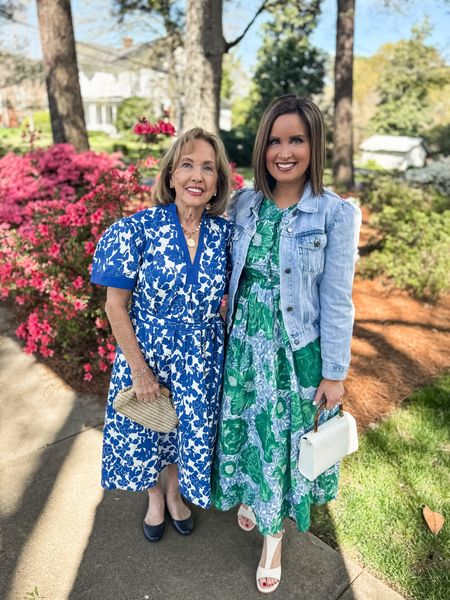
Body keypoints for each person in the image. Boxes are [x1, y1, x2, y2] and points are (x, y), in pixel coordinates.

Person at [212, 95, 361, 593]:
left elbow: (337, 300)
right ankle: (256, 499)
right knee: (249, 430)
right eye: (275, 140)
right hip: (242, 347)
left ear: (314, 144)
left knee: (280, 443)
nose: (284, 151)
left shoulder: (334, 214)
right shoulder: (245, 203)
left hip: (292, 352)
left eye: (296, 139)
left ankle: (273, 540)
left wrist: (335, 373)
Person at [90, 127, 232, 542]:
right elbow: (115, 306)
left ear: (217, 183)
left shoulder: (225, 236)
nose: (196, 175)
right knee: (148, 428)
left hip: (202, 358)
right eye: (187, 164)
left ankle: (174, 494)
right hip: (147, 353)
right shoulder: (138, 229)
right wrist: (139, 370)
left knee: (182, 432)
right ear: (170, 176)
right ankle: (154, 499)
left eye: (208, 168)